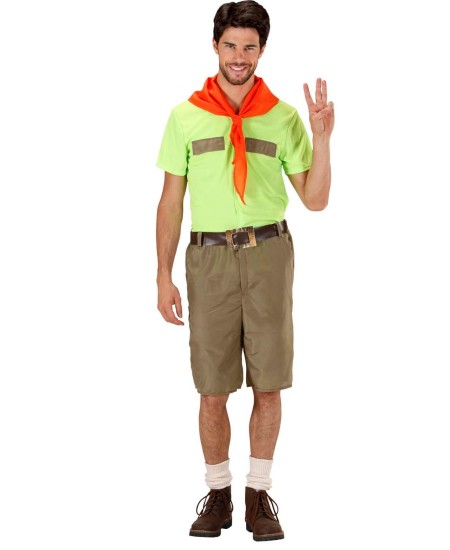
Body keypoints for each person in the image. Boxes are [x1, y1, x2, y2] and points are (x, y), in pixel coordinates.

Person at [156, 0, 334, 541]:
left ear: (262, 50)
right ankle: (219, 494)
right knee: (212, 388)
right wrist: (162, 274)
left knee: (269, 384)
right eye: (230, 45)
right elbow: (170, 201)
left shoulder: (282, 116)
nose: (239, 57)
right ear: (215, 46)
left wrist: (322, 138)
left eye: (249, 47)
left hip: (268, 254)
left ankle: (259, 495)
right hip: (207, 258)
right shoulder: (186, 115)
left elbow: (315, 200)